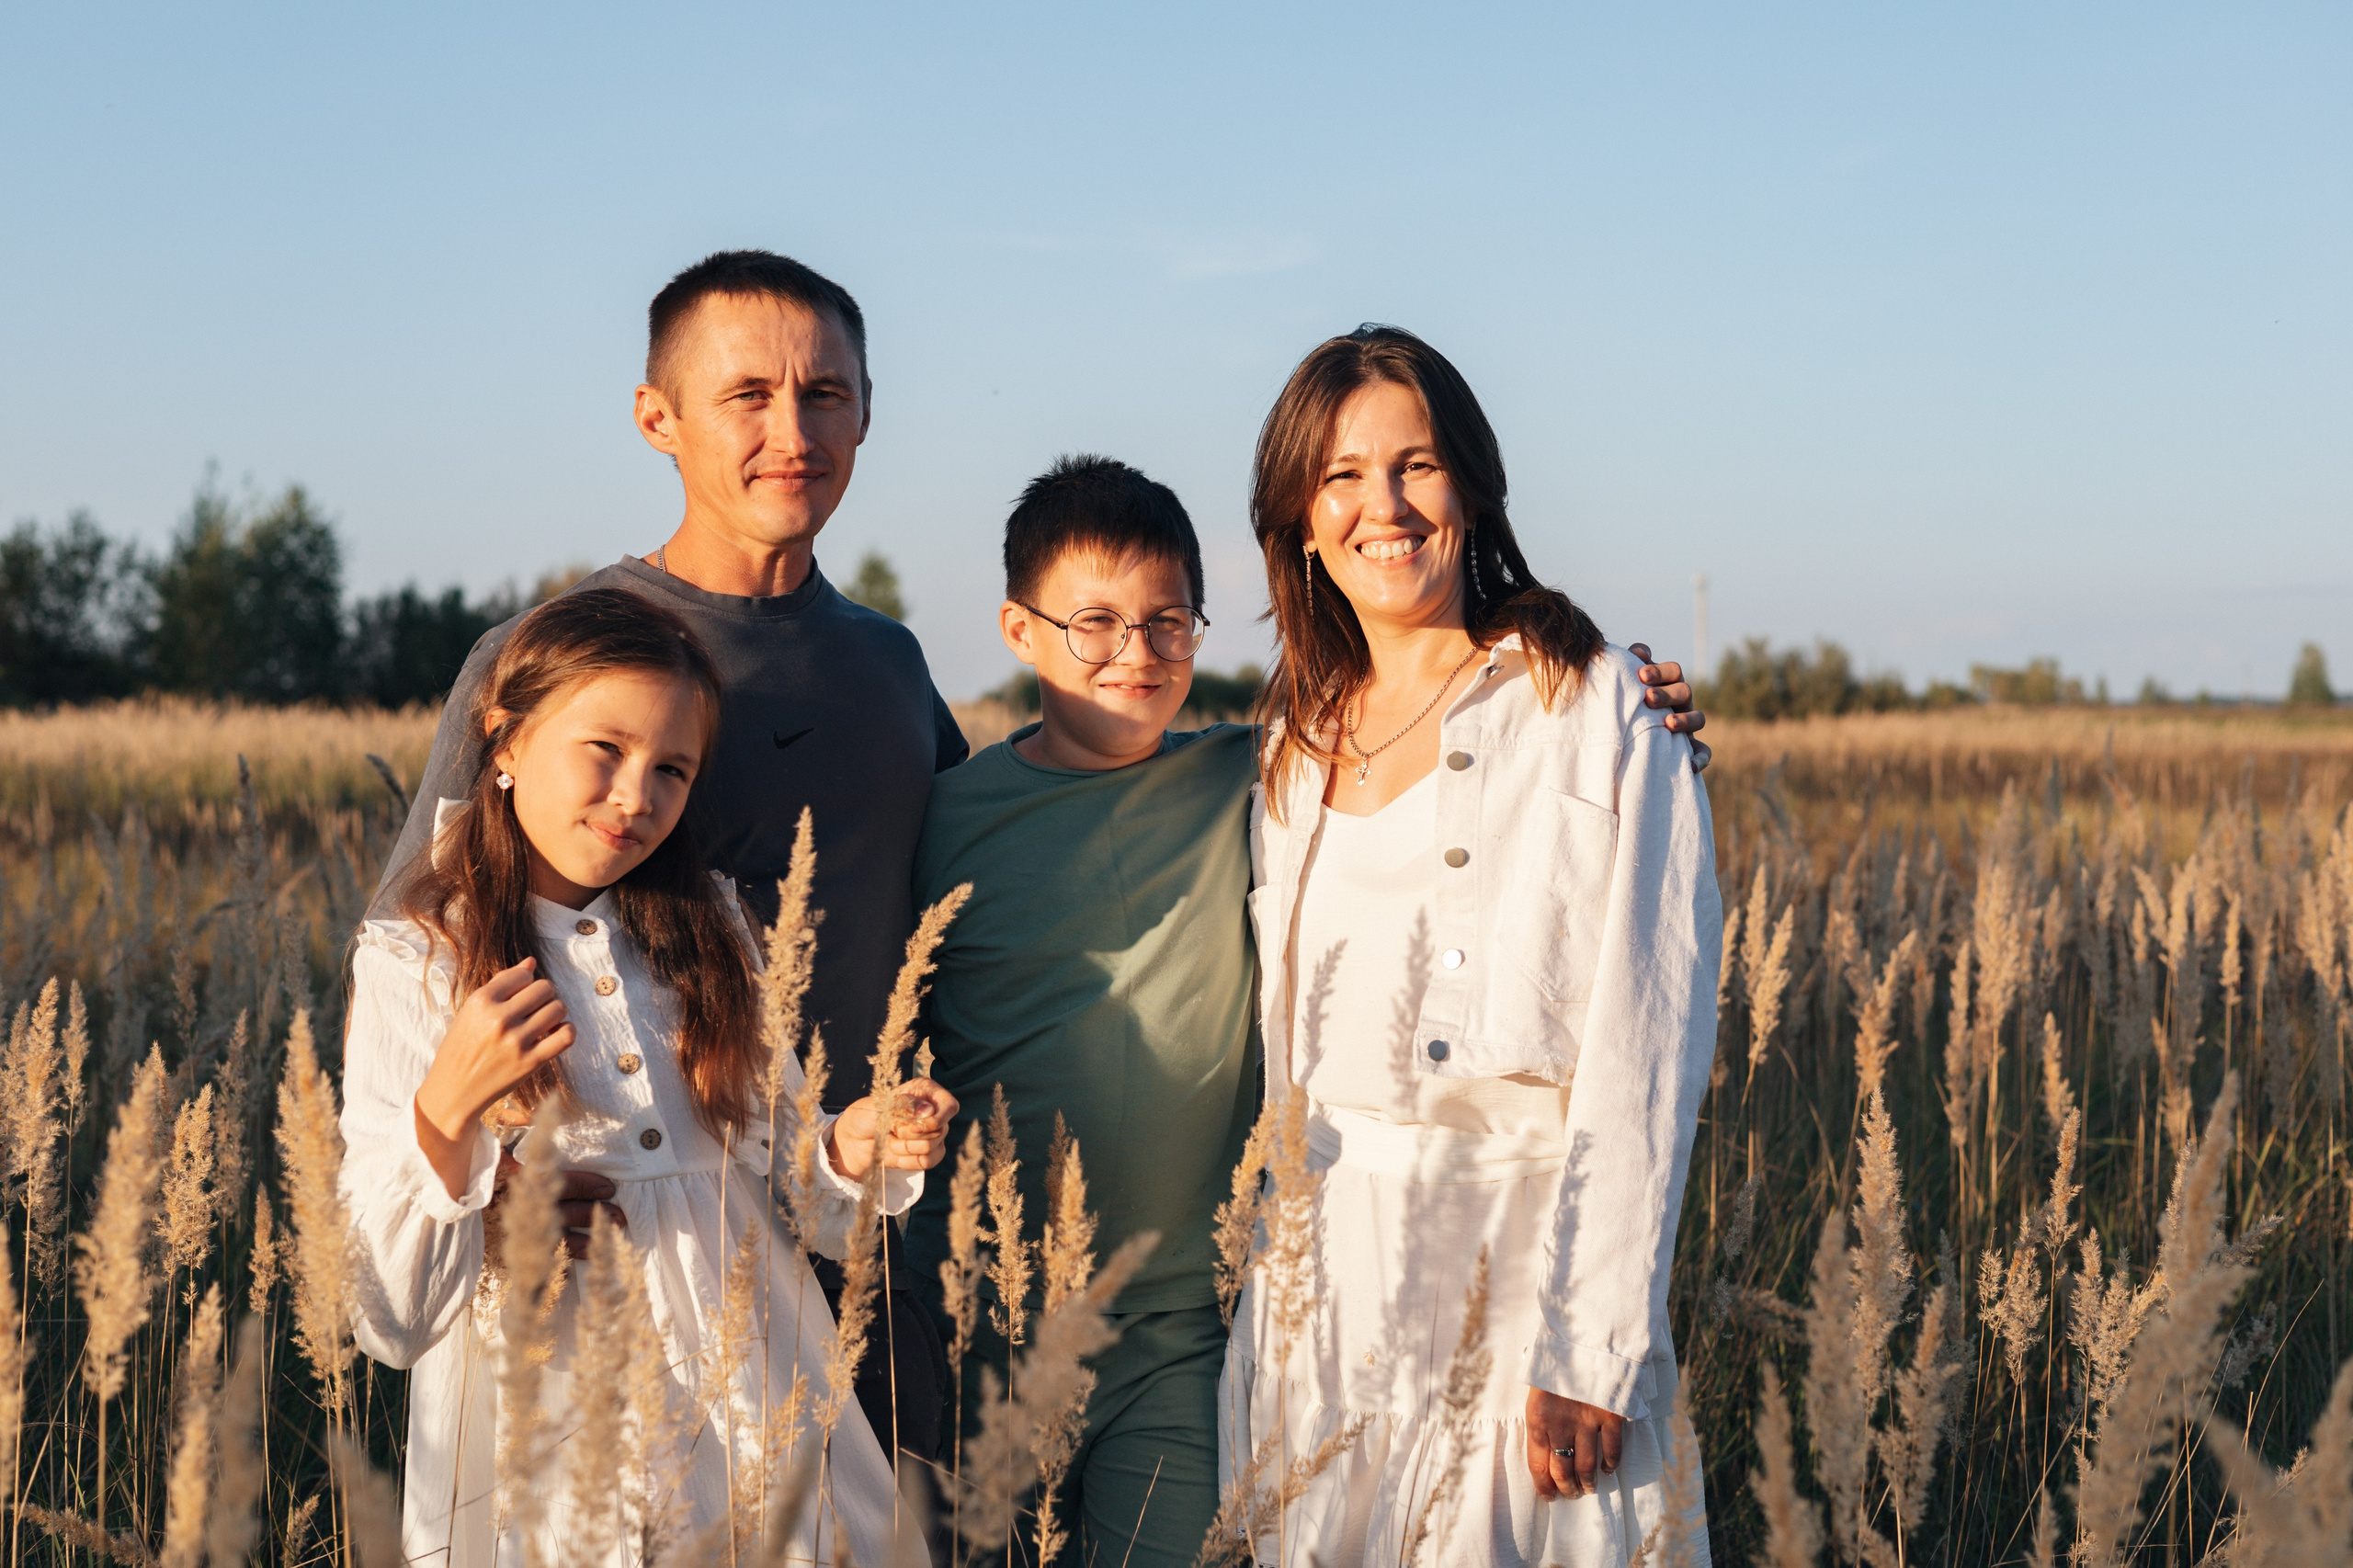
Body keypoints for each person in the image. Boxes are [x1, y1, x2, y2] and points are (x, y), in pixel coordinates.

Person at [369, 250, 969, 1460]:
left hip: (866, 1224)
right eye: (746, 394)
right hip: (637, 1281)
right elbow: (440, 952)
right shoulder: (553, 655)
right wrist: (500, 1194)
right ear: (659, 417)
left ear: (867, 411)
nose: (792, 430)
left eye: (827, 393)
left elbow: (963, 898)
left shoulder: (892, 666)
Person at [1220, 326, 1722, 1565]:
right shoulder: (1289, 740)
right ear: (1295, 514)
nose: (1380, 506)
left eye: (1417, 464)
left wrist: (1595, 1343)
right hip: (1319, 1285)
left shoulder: (1591, 700)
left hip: (1525, 1274)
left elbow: (1649, 1035)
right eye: (1339, 475)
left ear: (1473, 485)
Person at [341, 587, 959, 1564]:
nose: (637, 796)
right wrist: (450, 1104)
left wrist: (849, 1142)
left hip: (753, 1382)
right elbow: (389, 1314)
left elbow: (799, 1187)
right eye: (605, 750)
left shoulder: (707, 927)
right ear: (504, 741)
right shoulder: (418, 954)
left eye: (672, 768)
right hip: (548, 1433)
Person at [905, 456, 1257, 1563]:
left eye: (1168, 622)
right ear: (1020, 628)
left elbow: (1418, 722)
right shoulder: (946, 815)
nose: (1138, 655)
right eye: (1094, 622)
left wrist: (1619, 696)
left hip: (1176, 1330)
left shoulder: (1248, 775)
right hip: (983, 1317)